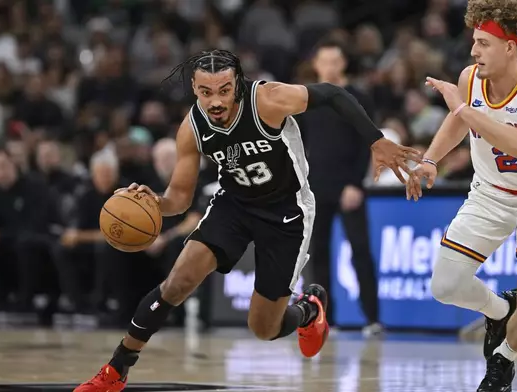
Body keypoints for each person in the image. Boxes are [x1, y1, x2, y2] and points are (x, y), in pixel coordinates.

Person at [75, 49, 421, 392]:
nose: (215, 101)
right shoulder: (192, 127)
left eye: (224, 90)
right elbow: (178, 200)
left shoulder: (268, 100)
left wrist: (376, 141)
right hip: (234, 206)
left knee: (263, 328)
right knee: (176, 283)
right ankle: (115, 371)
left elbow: (332, 94)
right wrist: (153, 203)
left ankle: (309, 311)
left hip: (288, 214)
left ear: (237, 84)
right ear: (194, 90)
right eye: (205, 92)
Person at [408, 1, 517, 391]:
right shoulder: (470, 79)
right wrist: (432, 159)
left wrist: (464, 111)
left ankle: (503, 362)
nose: (473, 51)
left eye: (483, 43)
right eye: (474, 42)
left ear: (509, 47)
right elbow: (457, 119)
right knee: (444, 287)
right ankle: (500, 311)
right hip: (490, 195)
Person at [298, 40, 381, 335]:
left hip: (350, 186)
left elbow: (367, 143)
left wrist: (356, 183)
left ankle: (372, 318)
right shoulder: (307, 99)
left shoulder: (358, 97)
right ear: (317, 64)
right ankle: (324, 318)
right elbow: (299, 144)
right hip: (316, 187)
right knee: (318, 254)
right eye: (325, 61)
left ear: (343, 63)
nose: (330, 66)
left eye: (336, 60)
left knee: (360, 250)